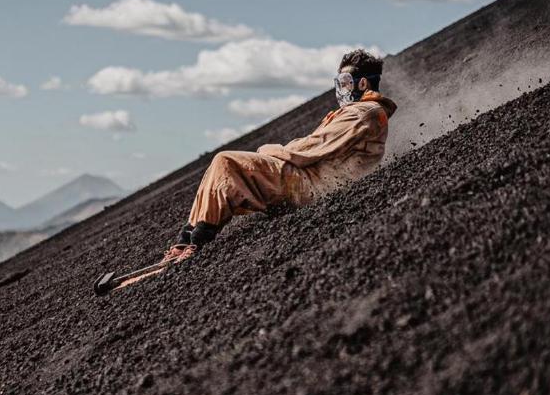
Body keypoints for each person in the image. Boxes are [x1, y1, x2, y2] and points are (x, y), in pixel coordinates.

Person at [163, 48, 397, 264]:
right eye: (339, 83)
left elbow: (309, 150)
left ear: (362, 83)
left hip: (315, 187)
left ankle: (196, 242)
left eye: (345, 83)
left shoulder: (363, 112)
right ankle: (186, 239)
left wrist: (267, 150)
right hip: (314, 180)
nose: (341, 90)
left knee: (226, 162)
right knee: (218, 167)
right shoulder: (362, 112)